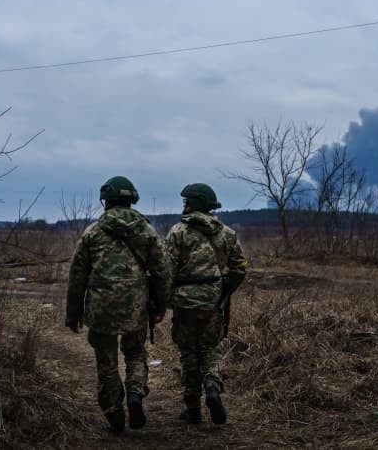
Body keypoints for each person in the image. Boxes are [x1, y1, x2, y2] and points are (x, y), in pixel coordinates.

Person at [65, 176, 169, 434]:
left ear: (106, 201)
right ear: (132, 200)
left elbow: (77, 276)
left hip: (101, 309)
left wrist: (73, 313)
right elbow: (161, 272)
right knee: (135, 353)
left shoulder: (92, 233)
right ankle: (135, 393)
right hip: (136, 307)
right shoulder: (146, 231)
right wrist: (159, 307)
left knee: (106, 362)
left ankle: (114, 415)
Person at [164, 183, 248, 425]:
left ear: (194, 204)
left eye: (186, 201)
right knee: (210, 351)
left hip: (184, 303)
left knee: (189, 354)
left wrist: (165, 300)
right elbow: (240, 267)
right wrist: (225, 290)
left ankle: (192, 409)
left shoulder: (178, 232)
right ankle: (212, 389)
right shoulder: (227, 233)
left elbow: (167, 271)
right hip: (213, 301)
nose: (184, 205)